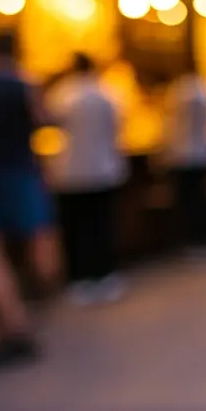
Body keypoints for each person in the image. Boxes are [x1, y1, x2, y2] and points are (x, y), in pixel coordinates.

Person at [0, 32, 57, 370]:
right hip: (23, 171)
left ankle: (14, 318)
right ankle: (40, 296)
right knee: (39, 235)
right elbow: (43, 120)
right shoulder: (26, 85)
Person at [45, 53, 128, 305]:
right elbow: (119, 125)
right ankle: (106, 274)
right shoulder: (108, 93)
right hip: (103, 169)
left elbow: (48, 121)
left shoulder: (63, 93)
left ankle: (81, 278)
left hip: (72, 172)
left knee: (77, 228)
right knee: (101, 225)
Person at [163, 55, 206, 255]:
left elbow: (167, 123)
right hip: (204, 152)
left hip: (182, 154)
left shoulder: (176, 92)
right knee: (202, 198)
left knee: (187, 200)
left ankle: (190, 240)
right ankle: (204, 239)